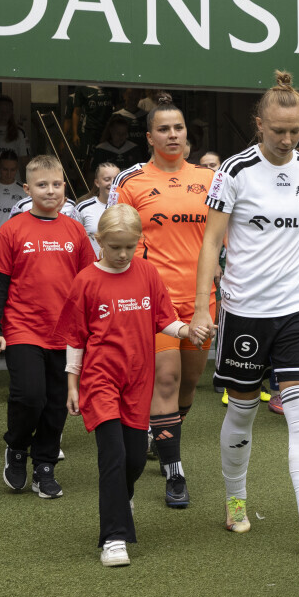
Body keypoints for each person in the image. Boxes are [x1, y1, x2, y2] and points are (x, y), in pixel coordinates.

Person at [190, 71, 299, 549]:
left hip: (297, 312)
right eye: (278, 130)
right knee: (241, 411)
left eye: (295, 130)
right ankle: (235, 499)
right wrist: (201, 308)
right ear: (259, 124)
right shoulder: (233, 172)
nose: (287, 139)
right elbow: (211, 242)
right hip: (245, 312)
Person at [58, 204, 189, 567]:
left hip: (138, 380)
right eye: (115, 247)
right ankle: (113, 538)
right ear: (98, 240)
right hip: (99, 378)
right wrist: (72, 384)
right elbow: (75, 337)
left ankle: (122, 497)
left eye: (130, 247)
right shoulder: (86, 280)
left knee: (134, 457)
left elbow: (165, 319)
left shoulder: (147, 272)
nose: (122, 254)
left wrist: (187, 330)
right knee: (113, 456)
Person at [110, 100, 216, 508]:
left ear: (187, 133)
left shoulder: (210, 179)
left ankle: (162, 433)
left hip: (202, 302)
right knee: (167, 380)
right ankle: (175, 472)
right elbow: (118, 241)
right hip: (155, 303)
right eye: (164, 129)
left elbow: (226, 238)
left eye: (179, 127)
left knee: (189, 383)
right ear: (150, 136)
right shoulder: (131, 181)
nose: (173, 135)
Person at [0, 154, 96, 500]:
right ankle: (17, 447)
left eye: (57, 184)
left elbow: (88, 283)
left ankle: (45, 466)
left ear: (65, 188)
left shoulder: (75, 230)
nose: (50, 191)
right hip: (22, 329)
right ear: (27, 189)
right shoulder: (12, 229)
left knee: (56, 402)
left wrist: (93, 328)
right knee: (30, 396)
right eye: (42, 185)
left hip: (65, 334)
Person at [76, 162, 119, 257]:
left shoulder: (128, 207)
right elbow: (73, 240)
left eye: (116, 179)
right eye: (107, 179)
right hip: (91, 264)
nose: (112, 183)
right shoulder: (83, 208)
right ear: (97, 183)